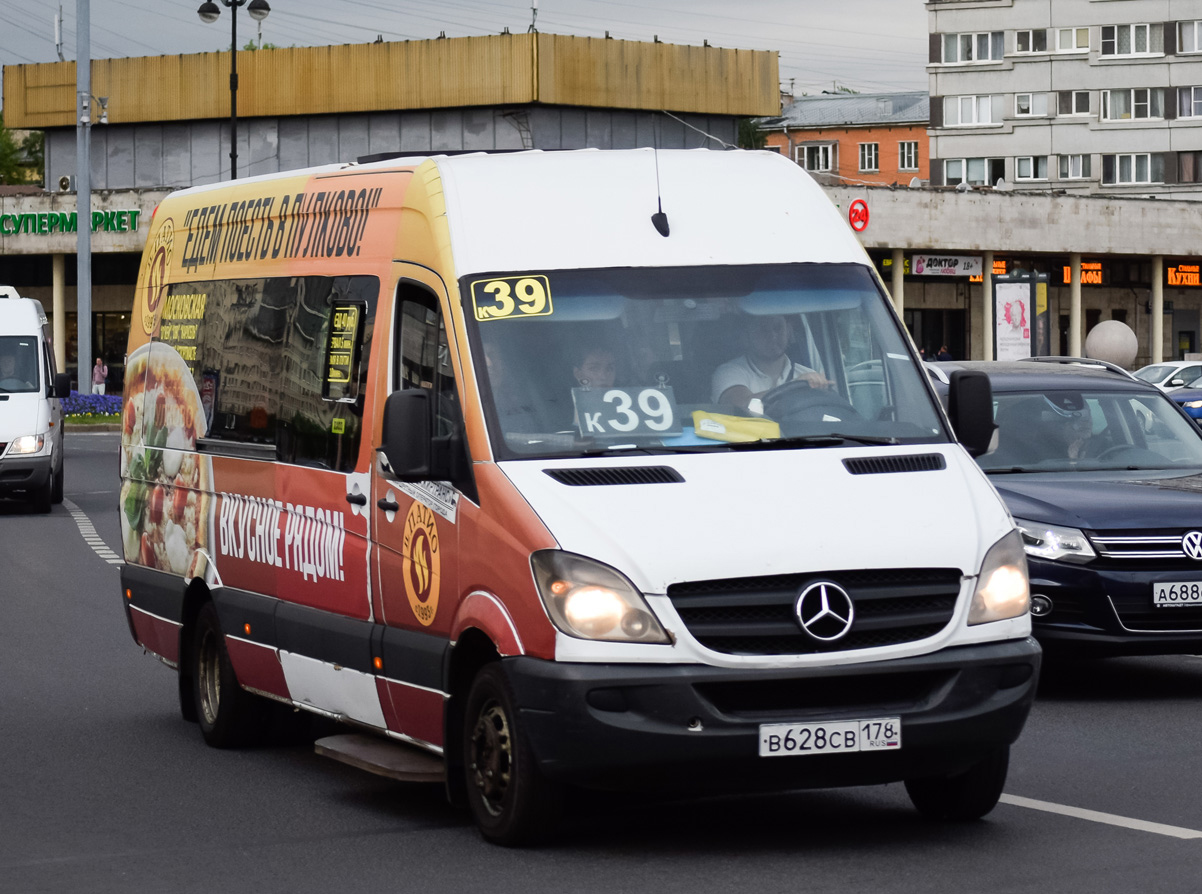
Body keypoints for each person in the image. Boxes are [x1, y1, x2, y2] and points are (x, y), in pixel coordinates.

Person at [711, 314, 830, 413]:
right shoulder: (728, 372)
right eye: (762, 329)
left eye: (778, 328)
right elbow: (738, 407)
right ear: (746, 337)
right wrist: (794, 386)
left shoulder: (808, 375)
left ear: (788, 331)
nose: (772, 336)